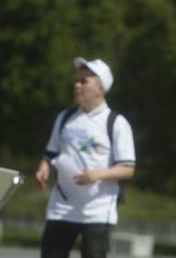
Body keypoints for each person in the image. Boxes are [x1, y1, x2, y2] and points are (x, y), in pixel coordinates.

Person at [35, 57, 136, 258]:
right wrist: (43, 167)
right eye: (76, 81)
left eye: (83, 81)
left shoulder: (116, 123)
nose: (77, 85)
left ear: (100, 88)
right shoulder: (65, 117)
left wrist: (97, 174)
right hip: (62, 206)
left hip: (97, 209)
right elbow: (50, 153)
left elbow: (128, 168)